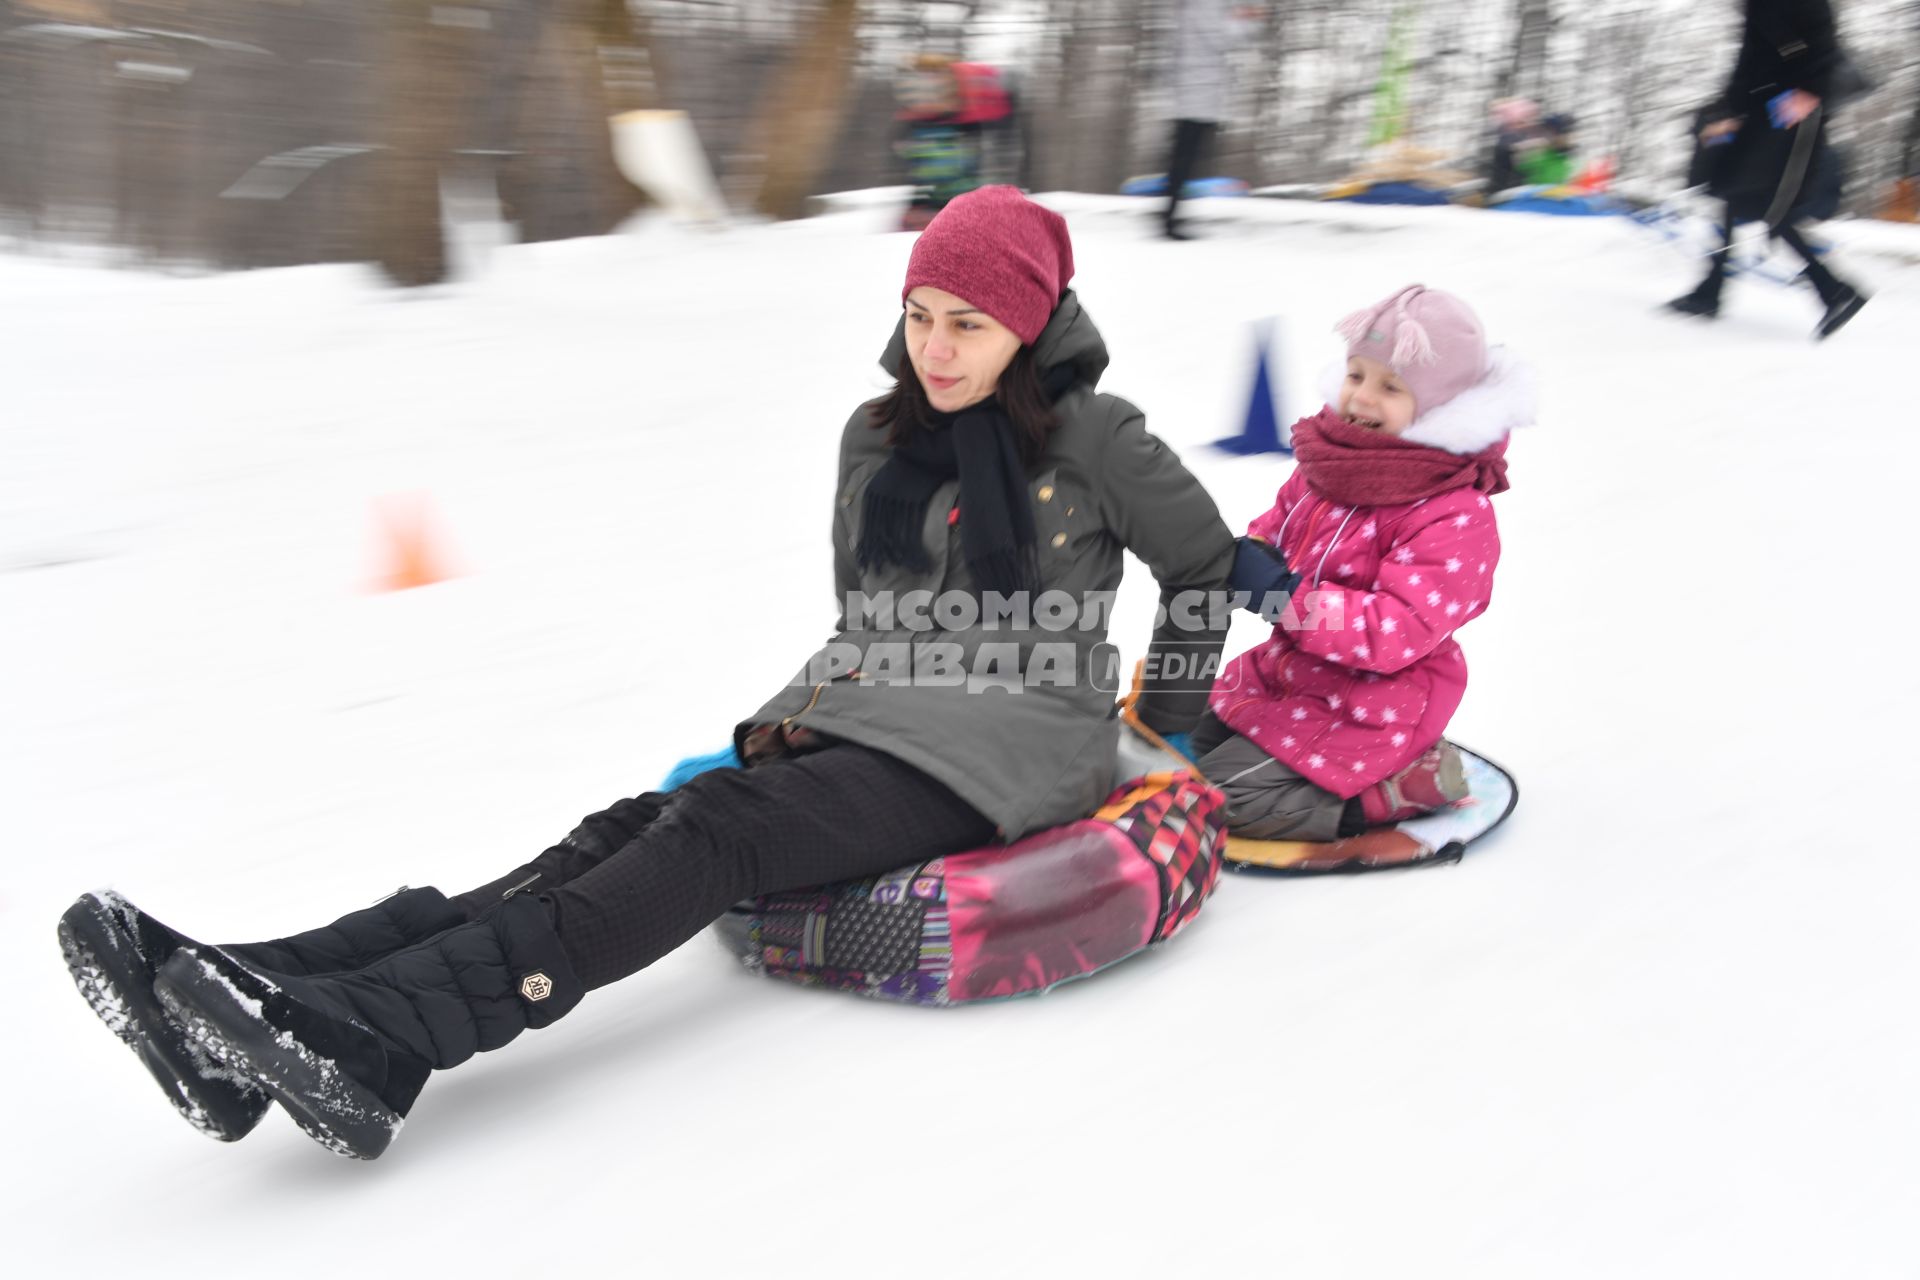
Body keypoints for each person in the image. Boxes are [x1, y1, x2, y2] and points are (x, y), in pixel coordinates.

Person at [56, 186, 1237, 1160]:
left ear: (1027, 329)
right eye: (920, 312)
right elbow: (865, 610)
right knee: (620, 828)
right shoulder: (875, 438)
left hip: (1018, 743)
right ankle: (247, 993)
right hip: (876, 707)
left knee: (716, 826)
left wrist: (1164, 726)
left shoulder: (1098, 437)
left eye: (967, 325)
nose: (934, 346)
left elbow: (1203, 571)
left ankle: (380, 1036)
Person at [1189, 285, 1531, 841]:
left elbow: (1393, 631)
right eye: (1356, 376)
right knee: (1193, 746)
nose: (1363, 400)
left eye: (1391, 387)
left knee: (1217, 802)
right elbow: (1279, 526)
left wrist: (1283, 596)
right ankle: (1307, 771)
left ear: (1441, 406)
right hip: (1291, 677)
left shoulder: (1452, 512)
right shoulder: (1332, 465)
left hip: (1376, 703)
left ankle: (1403, 786)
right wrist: (1247, 556)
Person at [1668, 0, 1868, 338]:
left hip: (1793, 110)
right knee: (1733, 193)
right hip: (1759, 108)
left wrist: (1810, 91)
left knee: (1771, 207)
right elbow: (1750, 59)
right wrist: (1726, 109)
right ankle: (1711, 292)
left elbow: (1823, 43)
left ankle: (1835, 290)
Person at [1161, 0, 1262, 240]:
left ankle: (1171, 217)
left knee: (1185, 159)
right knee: (1185, 160)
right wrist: (1245, 18)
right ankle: (1169, 221)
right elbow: (1220, 37)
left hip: (1195, 89)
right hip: (1198, 90)